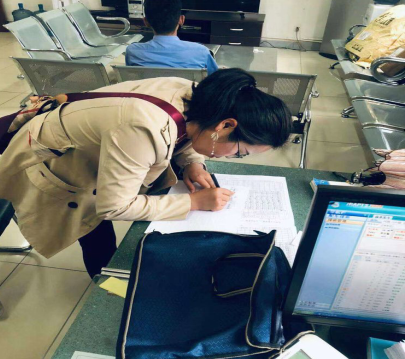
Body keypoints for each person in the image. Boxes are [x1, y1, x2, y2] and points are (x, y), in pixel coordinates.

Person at [0, 68, 292, 278]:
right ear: (226, 125)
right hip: (50, 163)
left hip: (87, 151)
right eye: (239, 152)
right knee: (91, 226)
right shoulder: (142, 128)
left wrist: (192, 162)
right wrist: (192, 202)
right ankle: (105, 287)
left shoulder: (196, 96)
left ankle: (106, 275)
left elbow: (189, 128)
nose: (233, 157)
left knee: (96, 231)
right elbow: (114, 206)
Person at [125, 0, 219, 75]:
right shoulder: (201, 52)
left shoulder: (133, 51)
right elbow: (215, 81)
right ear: (181, 20)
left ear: (146, 22)